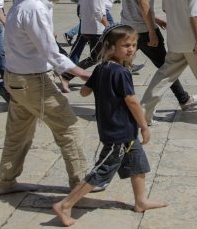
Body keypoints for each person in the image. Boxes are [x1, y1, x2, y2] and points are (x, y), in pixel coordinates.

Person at [52, 25, 167, 226]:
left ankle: (140, 201)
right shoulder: (121, 73)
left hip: (122, 131)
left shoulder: (101, 68)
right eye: (125, 45)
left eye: (133, 45)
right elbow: (131, 101)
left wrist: (102, 88)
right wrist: (144, 125)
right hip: (118, 132)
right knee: (102, 170)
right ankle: (64, 205)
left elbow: (84, 92)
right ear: (111, 47)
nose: (131, 49)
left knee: (138, 164)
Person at [0, 0, 94, 195]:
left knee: (18, 133)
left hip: (17, 78)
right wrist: (82, 72)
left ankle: (6, 181)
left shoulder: (24, 6)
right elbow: (50, 51)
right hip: (32, 81)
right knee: (68, 127)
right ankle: (80, 182)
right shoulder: (35, 9)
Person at [68, 0, 115, 65]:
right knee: (98, 57)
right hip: (96, 29)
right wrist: (108, 25)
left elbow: (82, 10)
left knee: (99, 57)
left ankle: (101, 78)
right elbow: (98, 11)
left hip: (90, 28)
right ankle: (67, 74)